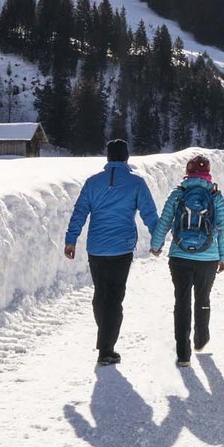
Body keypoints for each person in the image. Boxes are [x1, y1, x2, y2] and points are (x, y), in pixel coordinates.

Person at [65, 139, 160, 366]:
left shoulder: (92, 183)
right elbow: (149, 213)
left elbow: (79, 213)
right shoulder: (136, 183)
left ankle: (105, 340)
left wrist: (71, 240)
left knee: (101, 293)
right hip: (122, 248)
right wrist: (156, 241)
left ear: (107, 158)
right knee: (115, 297)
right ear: (126, 158)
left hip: (96, 247)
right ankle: (107, 349)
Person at [150, 154, 224, 368]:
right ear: (208, 173)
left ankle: (183, 354)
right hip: (208, 257)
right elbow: (222, 229)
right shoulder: (215, 196)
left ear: (188, 172)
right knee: (203, 298)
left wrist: (156, 246)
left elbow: (165, 221)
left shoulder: (178, 193)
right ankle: (201, 340)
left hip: (179, 256)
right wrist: (223, 257)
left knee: (182, 301)